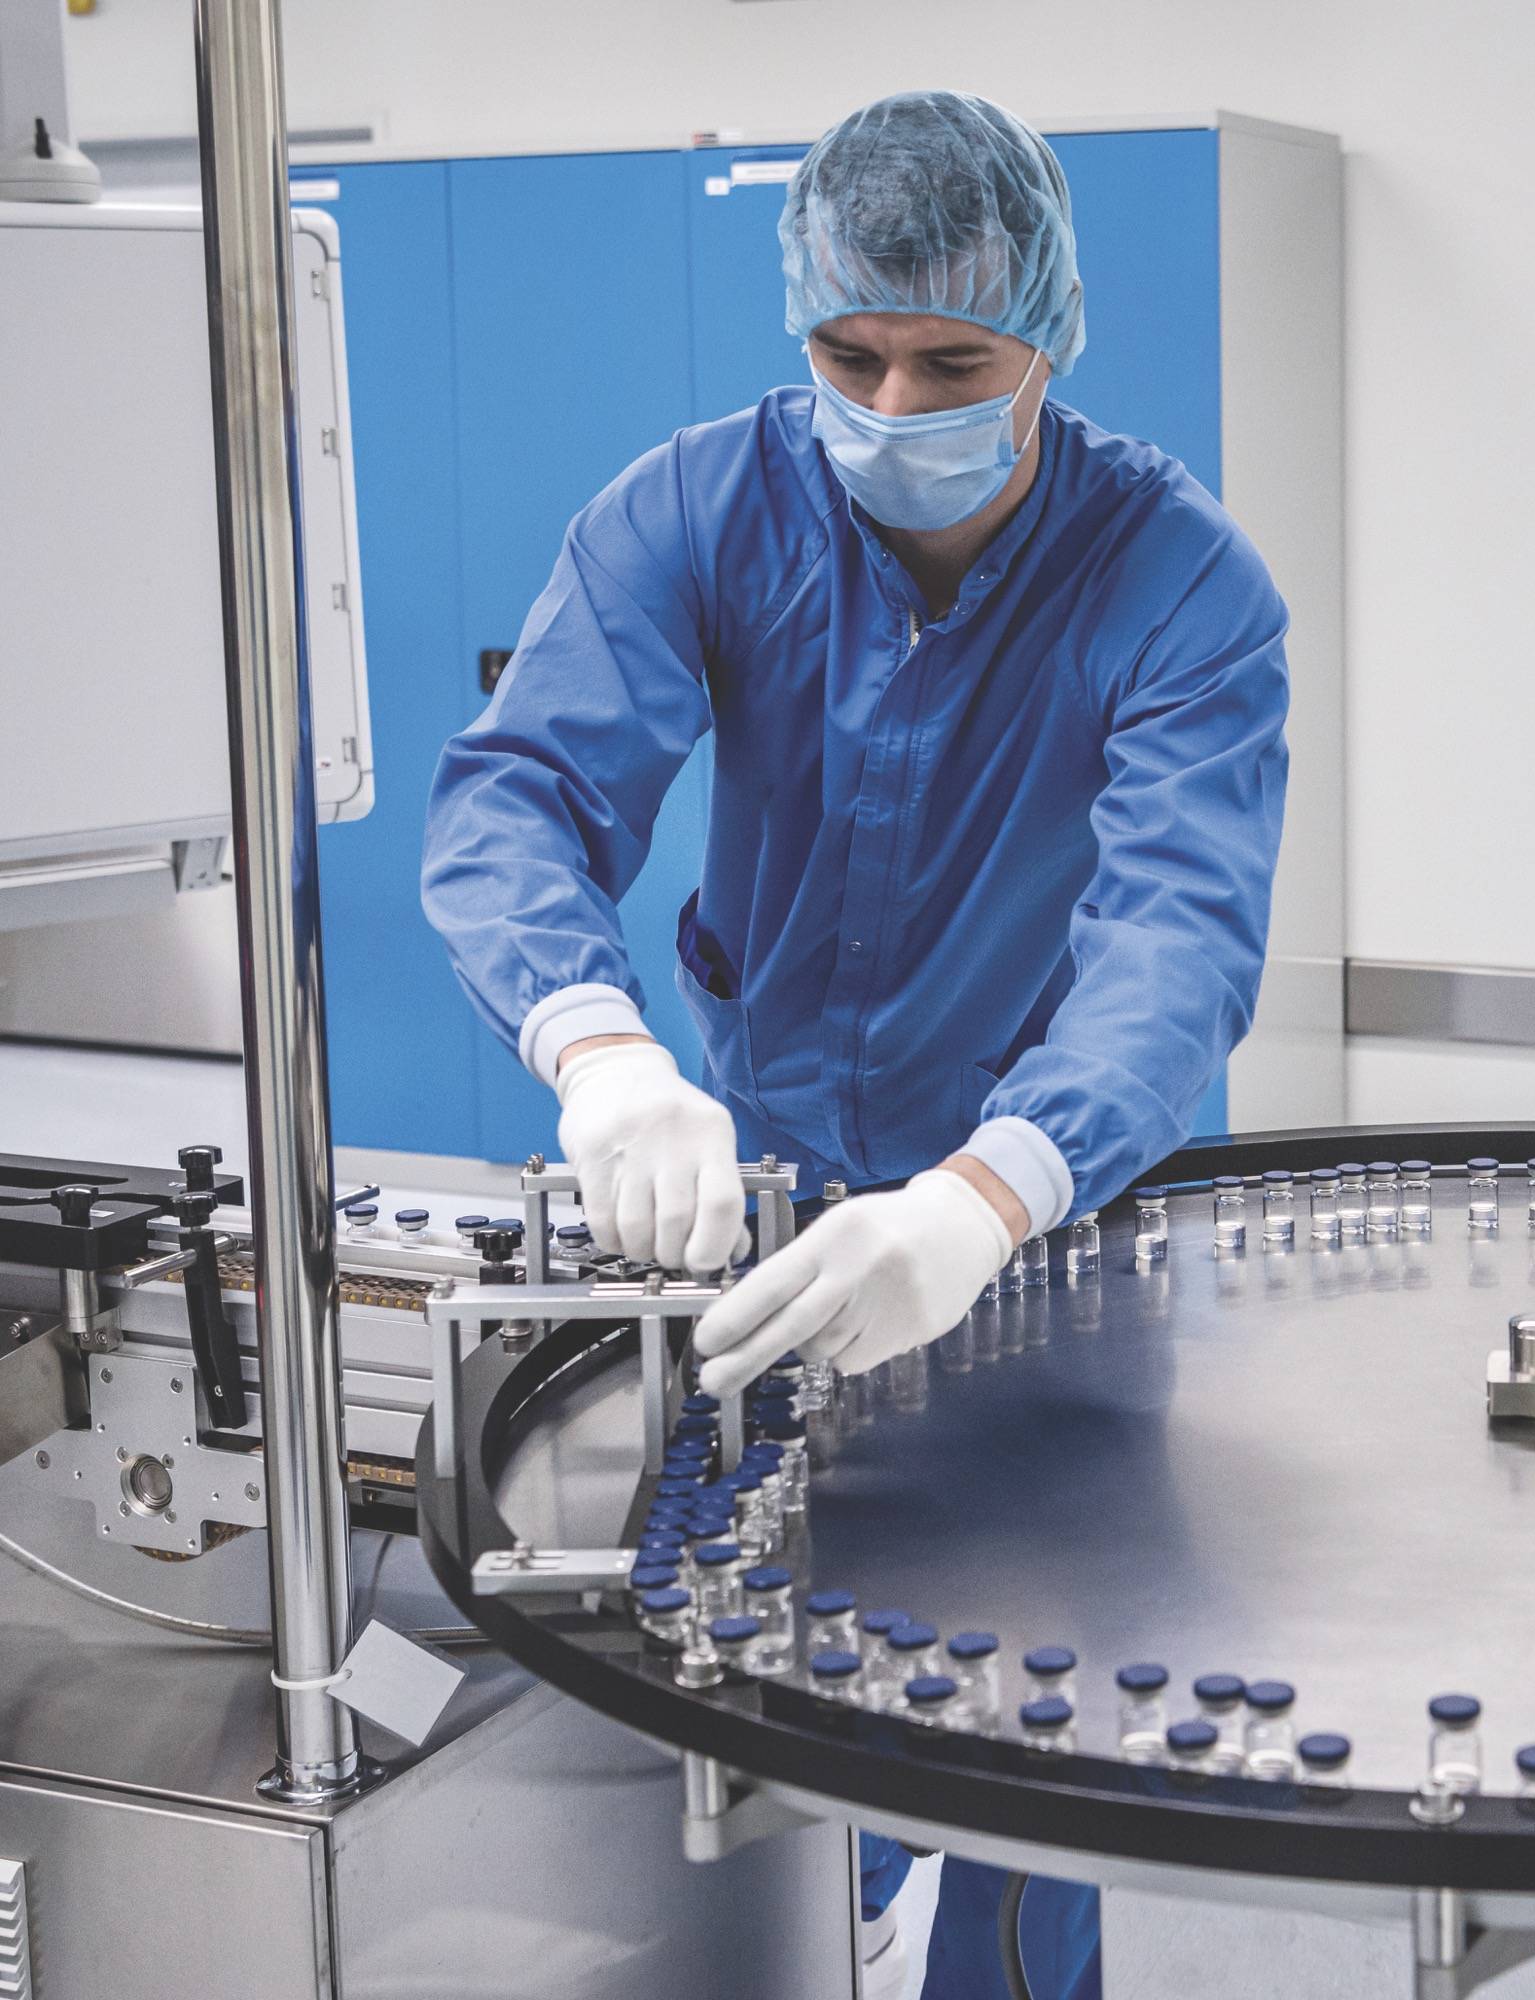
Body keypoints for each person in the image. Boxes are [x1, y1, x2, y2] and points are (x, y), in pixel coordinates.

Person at [418, 88, 1292, 2000]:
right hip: (762, 1192)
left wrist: (983, 1199)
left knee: (1001, 1737)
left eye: (950, 359)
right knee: (748, 1702)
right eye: (849, 353)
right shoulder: (700, 509)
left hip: (1034, 1232)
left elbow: (1174, 946)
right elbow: (520, 799)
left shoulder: (1179, 583)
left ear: (1046, 339)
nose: (894, 405)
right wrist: (603, 1053)